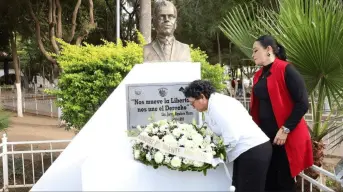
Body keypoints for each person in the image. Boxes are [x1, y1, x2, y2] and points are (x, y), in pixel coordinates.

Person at [183, 80, 272, 192]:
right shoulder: (211, 105)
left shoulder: (217, 106)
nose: (192, 106)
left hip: (253, 150)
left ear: (202, 96)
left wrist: (217, 156)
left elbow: (232, 136)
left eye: (192, 103)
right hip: (247, 151)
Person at [250, 35, 313, 191]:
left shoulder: (286, 69)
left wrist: (285, 129)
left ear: (269, 50)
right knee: (268, 180)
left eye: (256, 50)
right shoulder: (259, 75)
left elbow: (303, 103)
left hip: (285, 137)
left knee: (283, 182)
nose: (253, 55)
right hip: (266, 137)